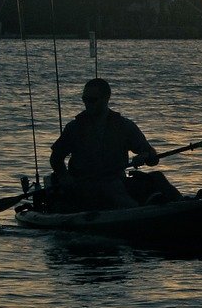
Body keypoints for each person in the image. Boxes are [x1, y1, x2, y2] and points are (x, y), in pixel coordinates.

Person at [49, 78, 174, 210]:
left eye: (92, 100)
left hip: (118, 181)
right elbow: (56, 159)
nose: (87, 104)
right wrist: (64, 176)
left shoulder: (123, 126)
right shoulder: (74, 128)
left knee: (156, 177)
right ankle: (138, 212)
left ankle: (182, 204)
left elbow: (152, 156)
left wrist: (144, 155)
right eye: (85, 100)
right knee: (111, 187)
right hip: (84, 185)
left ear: (106, 99)